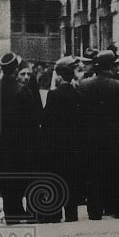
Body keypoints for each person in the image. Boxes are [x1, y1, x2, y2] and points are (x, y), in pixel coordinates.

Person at [0, 53, 40, 224]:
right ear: (16, 69)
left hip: (0, 142)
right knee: (19, 176)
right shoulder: (22, 90)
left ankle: (12, 212)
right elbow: (33, 119)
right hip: (20, 143)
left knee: (6, 176)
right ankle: (17, 211)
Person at [79, 50, 119, 219]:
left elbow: (82, 114)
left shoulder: (84, 84)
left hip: (91, 137)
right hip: (115, 138)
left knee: (95, 173)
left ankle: (94, 211)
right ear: (112, 65)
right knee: (117, 173)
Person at [41, 56, 85, 222]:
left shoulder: (53, 95)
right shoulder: (79, 95)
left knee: (57, 179)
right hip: (74, 146)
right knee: (72, 178)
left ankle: (54, 214)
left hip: (57, 146)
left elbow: (46, 121)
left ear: (59, 76)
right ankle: (71, 214)